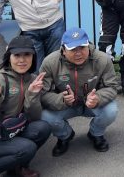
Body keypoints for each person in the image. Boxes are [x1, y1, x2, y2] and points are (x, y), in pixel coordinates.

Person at [0, 36, 50, 177]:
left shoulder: (31, 79)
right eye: (17, 55)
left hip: (10, 130)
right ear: (9, 57)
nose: (22, 60)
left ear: (33, 57)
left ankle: (17, 167)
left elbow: (35, 118)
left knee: (42, 128)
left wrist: (32, 95)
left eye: (27, 55)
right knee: (27, 148)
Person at [40, 27, 119, 155]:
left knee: (111, 110)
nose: (78, 53)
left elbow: (112, 87)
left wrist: (98, 98)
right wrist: (61, 100)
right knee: (44, 116)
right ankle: (65, 135)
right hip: (66, 105)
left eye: (82, 47)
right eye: (73, 49)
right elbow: (42, 93)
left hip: (91, 104)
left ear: (88, 46)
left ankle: (95, 133)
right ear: (64, 50)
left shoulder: (103, 59)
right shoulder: (50, 62)